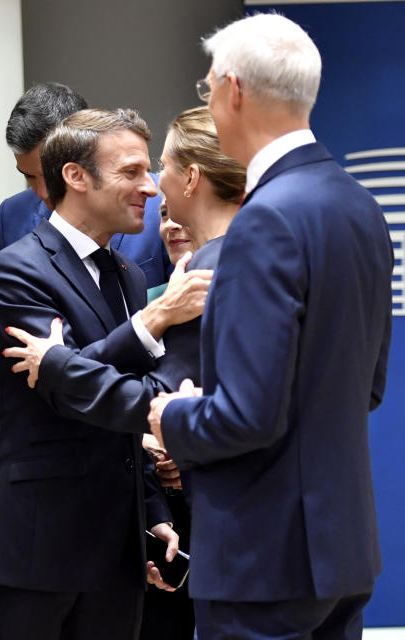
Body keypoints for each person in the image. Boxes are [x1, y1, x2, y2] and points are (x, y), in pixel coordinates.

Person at [147, 14, 392, 640]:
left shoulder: (264, 222)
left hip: (263, 559)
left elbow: (248, 416)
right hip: (341, 552)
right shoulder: (361, 208)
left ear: (233, 90)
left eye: (207, 90)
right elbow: (365, 387)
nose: (210, 103)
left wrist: (172, 416)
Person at [0, 107, 212, 640]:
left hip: (116, 549)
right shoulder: (14, 272)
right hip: (32, 543)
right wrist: (151, 323)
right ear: (75, 176)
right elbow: (65, 393)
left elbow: (98, 388)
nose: (151, 188)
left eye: (150, 171)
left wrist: (151, 509)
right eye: (132, 172)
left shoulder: (130, 275)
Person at [0, 83, 172, 438]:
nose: (43, 191)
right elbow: (7, 354)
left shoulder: (155, 208)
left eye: (48, 170)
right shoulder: (12, 235)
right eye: (30, 177)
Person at [139, 106, 246, 640]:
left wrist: (62, 365)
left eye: (161, 165)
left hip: (226, 517)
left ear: (191, 177)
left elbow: (175, 396)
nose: (154, 183)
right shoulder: (268, 256)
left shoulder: (205, 274)